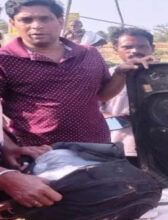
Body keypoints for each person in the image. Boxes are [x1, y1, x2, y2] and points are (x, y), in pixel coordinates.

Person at [0, 0, 157, 208]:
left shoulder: (89, 54)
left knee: (104, 204)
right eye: (26, 20)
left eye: (44, 18)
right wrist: (9, 146)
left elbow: (101, 95)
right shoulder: (5, 60)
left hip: (95, 147)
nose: (36, 25)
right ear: (13, 23)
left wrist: (120, 73)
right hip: (43, 153)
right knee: (56, 207)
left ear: (59, 21)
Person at [100, 27, 158, 165]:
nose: (134, 51)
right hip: (119, 148)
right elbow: (92, 114)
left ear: (152, 48)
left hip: (159, 147)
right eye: (127, 47)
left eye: (142, 46)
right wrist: (123, 121)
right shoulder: (107, 75)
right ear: (116, 49)